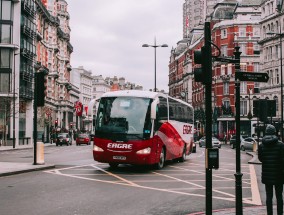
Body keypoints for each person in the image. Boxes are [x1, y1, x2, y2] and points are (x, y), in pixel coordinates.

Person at [258, 124, 284, 215]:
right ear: (274, 132)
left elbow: (260, 159)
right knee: (279, 197)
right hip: (279, 175)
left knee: (269, 197)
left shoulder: (261, 145)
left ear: (266, 132)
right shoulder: (280, 145)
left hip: (267, 175)